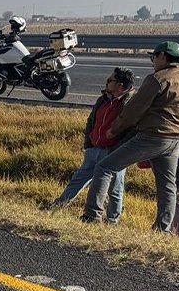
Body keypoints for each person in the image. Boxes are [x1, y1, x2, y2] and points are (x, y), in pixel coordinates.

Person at [82, 41, 179, 231]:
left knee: (104, 167)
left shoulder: (157, 79)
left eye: (153, 57)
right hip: (176, 138)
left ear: (162, 57)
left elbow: (134, 109)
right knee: (168, 185)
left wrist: (115, 129)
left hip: (153, 135)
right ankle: (163, 229)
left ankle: (92, 216)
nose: (153, 61)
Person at [45, 67, 135, 221]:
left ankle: (112, 220)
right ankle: (58, 207)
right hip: (95, 149)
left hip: (113, 153)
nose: (106, 83)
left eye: (110, 80)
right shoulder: (104, 99)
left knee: (115, 189)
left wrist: (117, 151)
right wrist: (89, 144)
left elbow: (131, 131)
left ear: (120, 86)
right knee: (78, 180)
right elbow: (91, 121)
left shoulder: (131, 104)